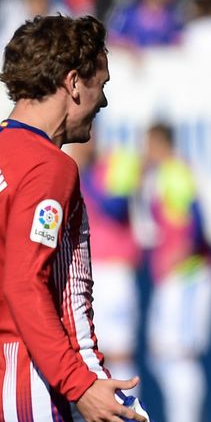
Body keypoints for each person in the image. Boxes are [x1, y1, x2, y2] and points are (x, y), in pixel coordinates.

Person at [0, 14, 196, 422]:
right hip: (56, 394)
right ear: (72, 82)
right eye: (101, 83)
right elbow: (23, 282)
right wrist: (78, 384)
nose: (103, 99)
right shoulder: (48, 165)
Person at [142, 123, 211, 422]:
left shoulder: (174, 172)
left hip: (188, 277)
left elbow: (197, 219)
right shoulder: (161, 175)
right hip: (174, 278)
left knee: (179, 354)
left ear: (159, 143)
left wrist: (181, 253)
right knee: (162, 354)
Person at [66, 142, 144, 388]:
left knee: (120, 352)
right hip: (85, 271)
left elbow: (116, 207)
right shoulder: (65, 169)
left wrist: (84, 174)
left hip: (115, 271)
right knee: (91, 353)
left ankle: (130, 419)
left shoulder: (114, 164)